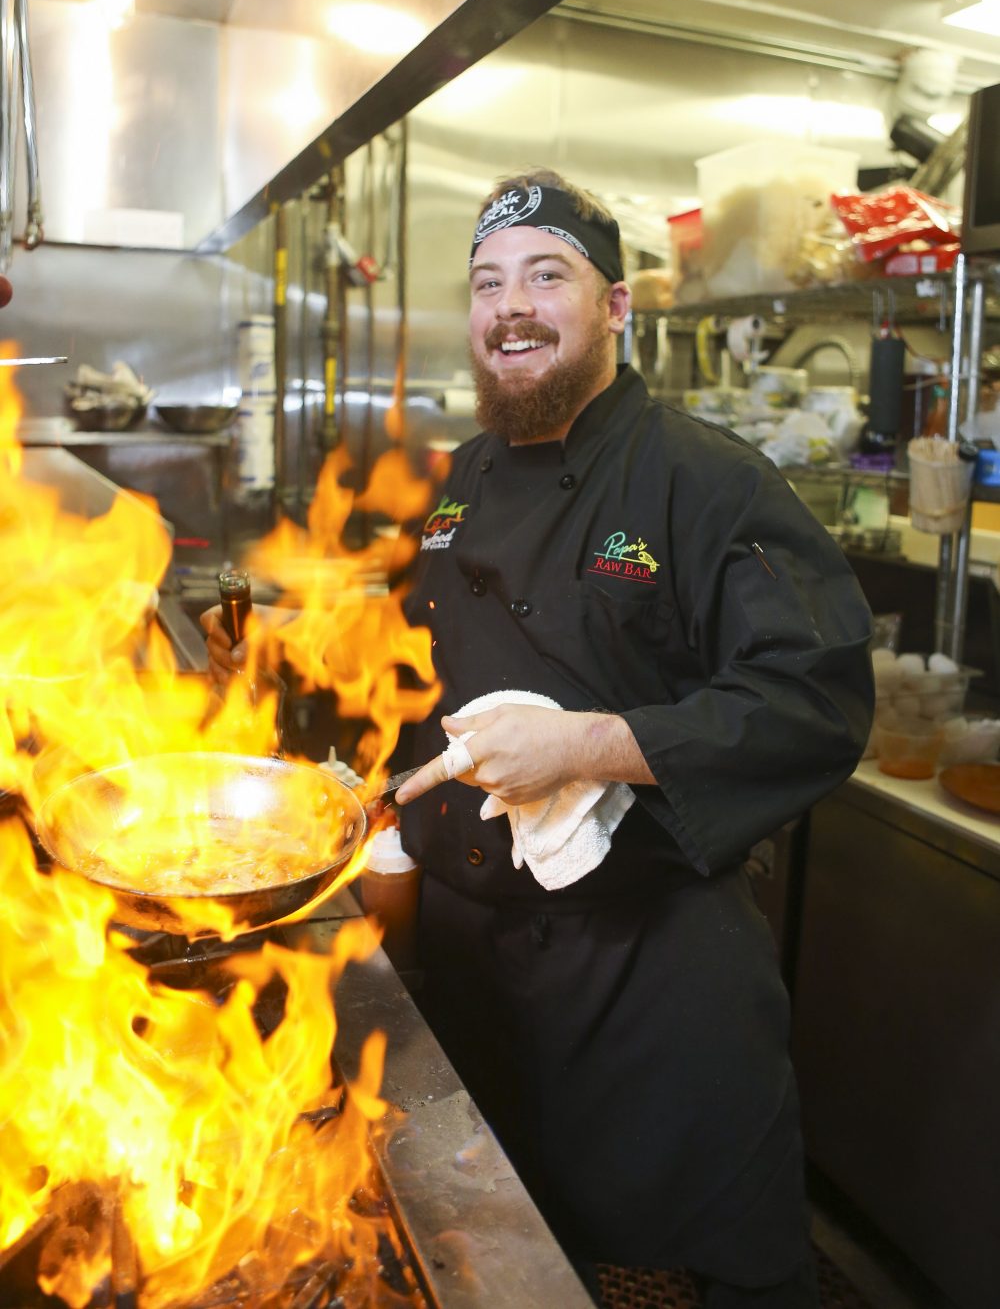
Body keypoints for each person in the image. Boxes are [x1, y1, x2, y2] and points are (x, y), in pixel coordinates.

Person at [204, 168, 874, 1308]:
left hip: (649, 972)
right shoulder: (462, 480)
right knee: (498, 1259)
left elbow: (814, 699)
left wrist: (590, 747)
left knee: (709, 1277)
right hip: (475, 964)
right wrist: (299, 639)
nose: (510, 306)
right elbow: (432, 654)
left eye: (545, 276)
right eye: (487, 284)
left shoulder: (705, 481)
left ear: (615, 308)